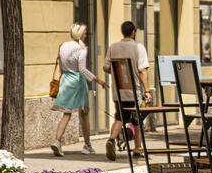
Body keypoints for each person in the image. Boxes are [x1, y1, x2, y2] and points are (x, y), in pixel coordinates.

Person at [51, 23, 107, 156]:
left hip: (65, 79)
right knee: (84, 112)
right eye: (85, 32)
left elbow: (60, 65)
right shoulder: (81, 49)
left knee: (67, 113)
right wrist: (98, 80)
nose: (86, 34)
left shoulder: (63, 46)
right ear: (80, 34)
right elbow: (82, 69)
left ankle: (57, 141)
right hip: (78, 81)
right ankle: (87, 145)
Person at [103, 21, 151, 161]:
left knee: (120, 117)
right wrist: (147, 90)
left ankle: (111, 139)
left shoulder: (113, 47)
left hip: (118, 92)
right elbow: (142, 71)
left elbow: (106, 67)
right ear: (133, 32)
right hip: (133, 91)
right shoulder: (138, 47)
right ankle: (137, 149)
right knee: (137, 120)